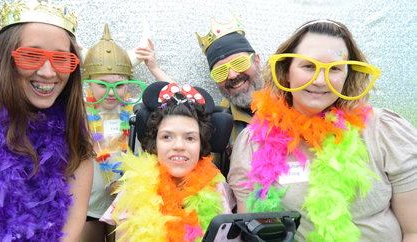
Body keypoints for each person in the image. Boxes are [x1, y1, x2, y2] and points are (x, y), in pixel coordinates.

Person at [228, 19, 417, 241]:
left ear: (347, 76)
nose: (319, 80)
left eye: (334, 68)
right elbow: (251, 231)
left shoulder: (384, 131)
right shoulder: (254, 142)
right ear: (287, 71)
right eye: (308, 66)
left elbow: (413, 231)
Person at [0, 0, 95, 241]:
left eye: (62, 59)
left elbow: (70, 229)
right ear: (4, 57)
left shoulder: (75, 134)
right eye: (31, 56)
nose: (47, 72)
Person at [100, 82, 235, 241]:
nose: (178, 146)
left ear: (201, 144)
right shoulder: (133, 192)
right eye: (167, 137)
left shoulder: (216, 188)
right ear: (154, 142)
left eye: (190, 138)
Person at [81, 23, 173, 242]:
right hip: (88, 204)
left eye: (120, 85)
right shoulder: (79, 110)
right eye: (102, 85)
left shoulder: (136, 108)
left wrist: (153, 67)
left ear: (129, 85)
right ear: (88, 85)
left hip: (126, 203)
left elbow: (181, 98)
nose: (112, 92)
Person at [196, 12, 263, 146]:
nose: (232, 75)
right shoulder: (216, 125)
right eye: (220, 71)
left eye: (240, 63)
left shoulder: (293, 99)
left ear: (257, 61)